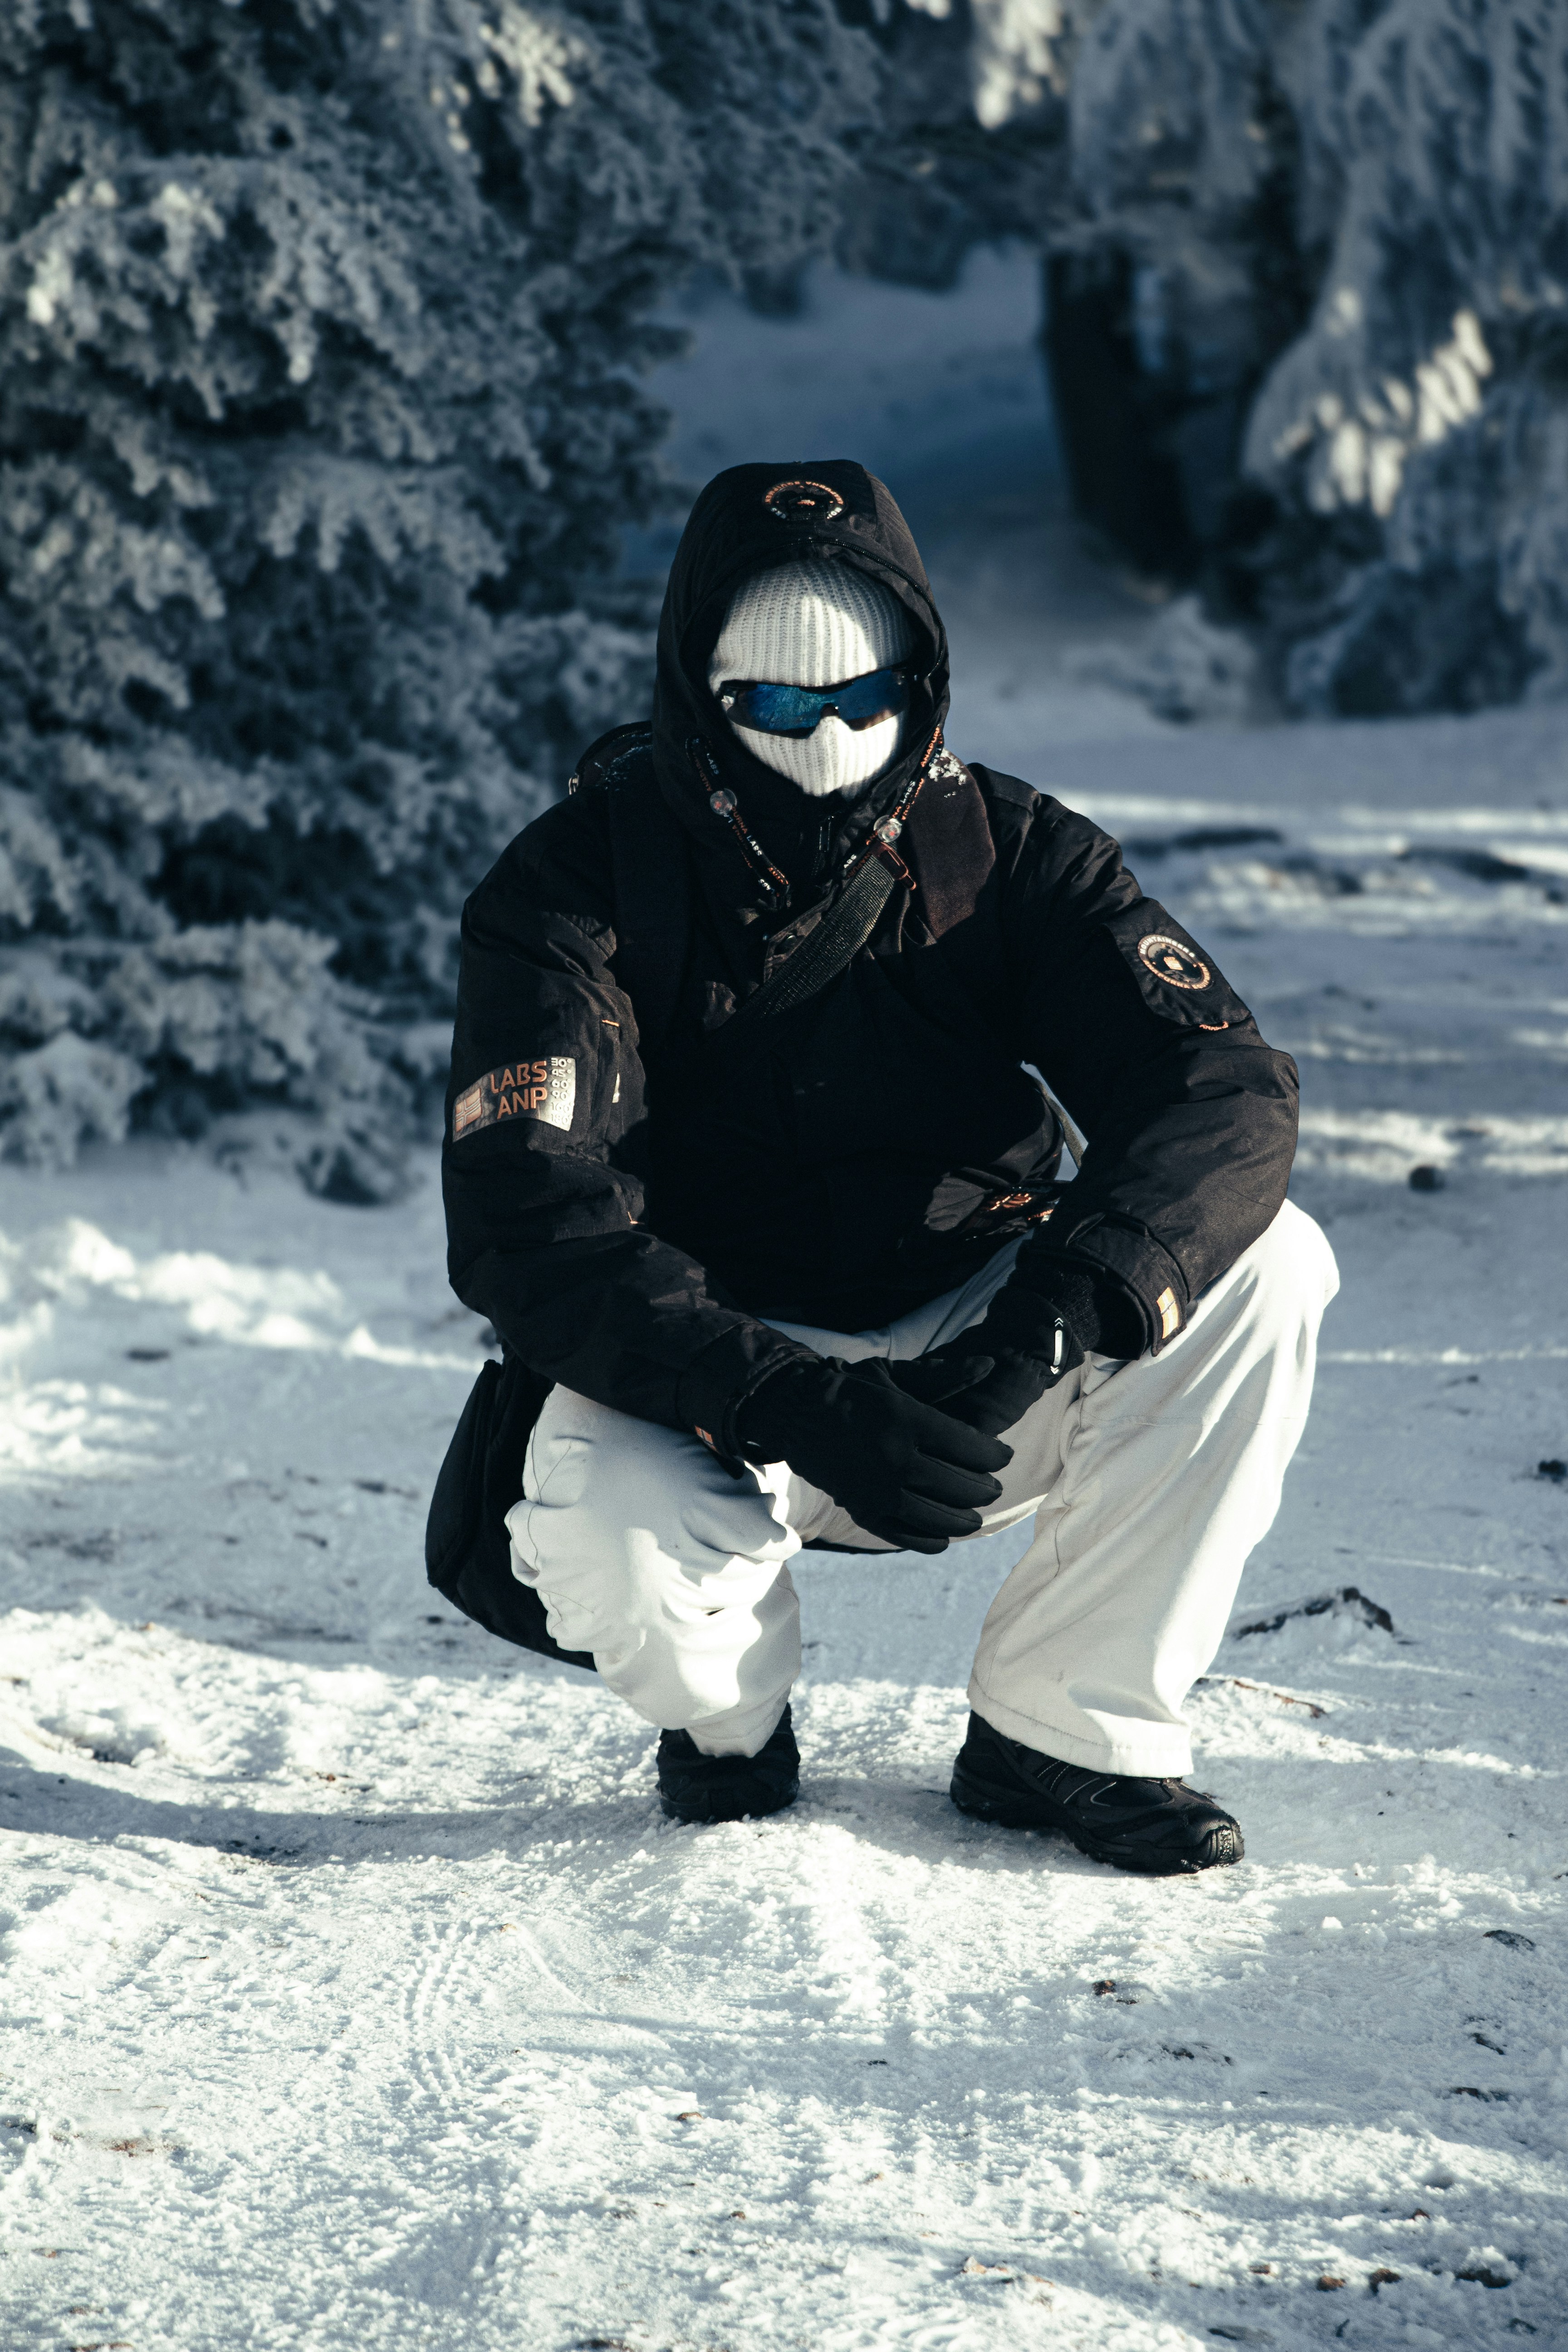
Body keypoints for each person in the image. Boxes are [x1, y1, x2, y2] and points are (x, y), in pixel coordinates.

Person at [441, 460, 1338, 1873]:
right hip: (714, 1377)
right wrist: (782, 1392)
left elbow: (1220, 1090)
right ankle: (729, 1728)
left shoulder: (1011, 850)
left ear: (921, 679)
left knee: (1272, 1264)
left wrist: (1051, 1323)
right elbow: (528, 1217)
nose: (831, 734)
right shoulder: (576, 889)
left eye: (865, 695)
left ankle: (1066, 1732)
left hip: (978, 1344)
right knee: (619, 1540)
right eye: (780, 704)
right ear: (701, 691)